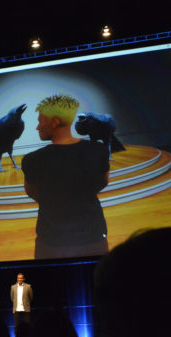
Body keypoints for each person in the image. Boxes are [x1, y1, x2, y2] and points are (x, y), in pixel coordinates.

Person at [22, 94, 110, 259]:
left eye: (40, 121)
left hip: (50, 242)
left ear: (55, 122)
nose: (37, 127)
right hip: (94, 237)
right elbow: (103, 182)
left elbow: (32, 192)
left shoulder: (32, 160)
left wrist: (55, 198)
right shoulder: (98, 150)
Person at [10, 273, 32, 337]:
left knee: (27, 325)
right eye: (18, 278)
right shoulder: (13, 287)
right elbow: (12, 298)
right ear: (17, 279)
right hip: (17, 309)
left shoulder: (28, 286)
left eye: (21, 278)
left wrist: (26, 303)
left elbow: (31, 297)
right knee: (16, 326)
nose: (20, 279)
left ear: (23, 279)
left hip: (26, 309)